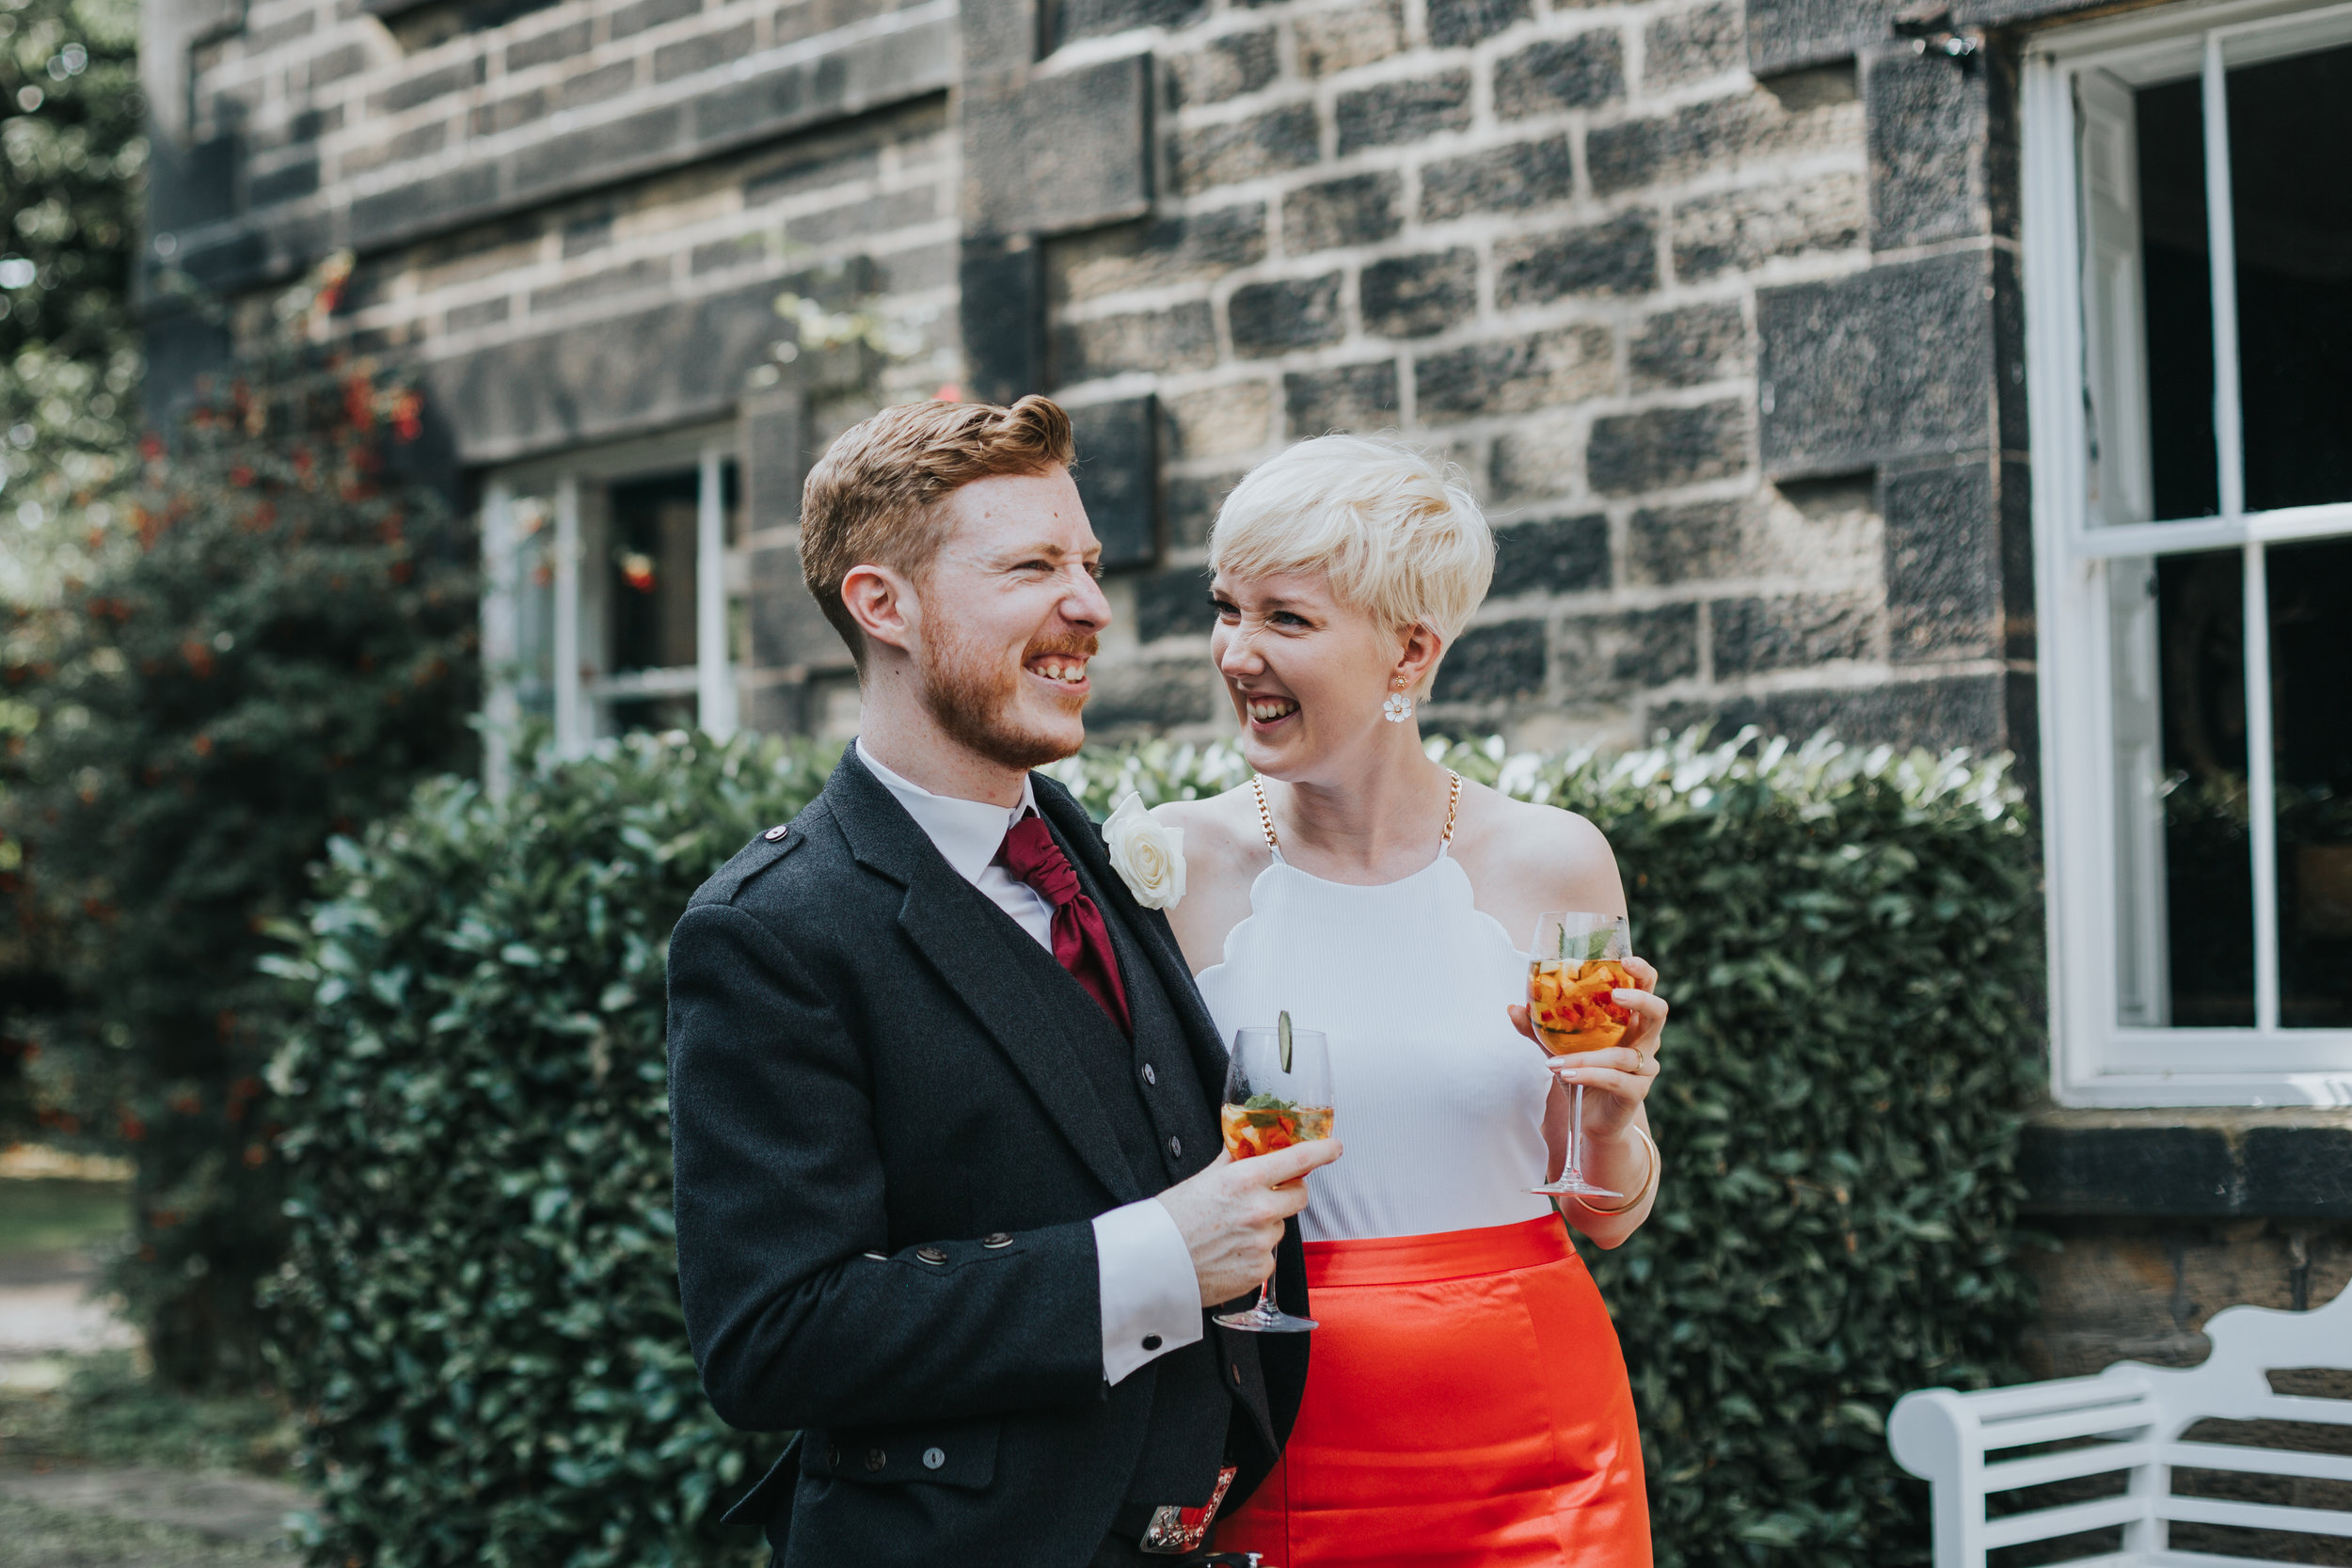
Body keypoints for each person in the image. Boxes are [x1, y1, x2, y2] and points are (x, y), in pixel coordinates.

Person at [664, 395, 1341, 1568]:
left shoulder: (1092, 845)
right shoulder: (771, 930)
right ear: (883, 604)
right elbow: (772, 1336)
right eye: (1031, 565)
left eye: (1083, 561)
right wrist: (1156, 1258)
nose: (1089, 604)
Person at [1152, 435, 1668, 1567]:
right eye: (1224, 607)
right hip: (1277, 1410)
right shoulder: (1168, 866)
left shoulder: (1555, 861)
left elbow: (1604, 1210)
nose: (1236, 651)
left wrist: (1614, 1115)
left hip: (1537, 1433)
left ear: (1408, 651)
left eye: (1285, 619)